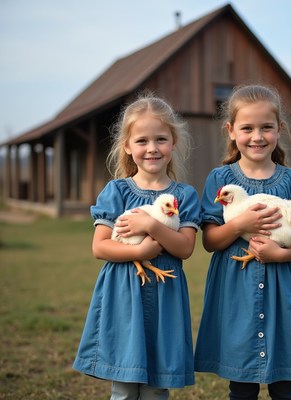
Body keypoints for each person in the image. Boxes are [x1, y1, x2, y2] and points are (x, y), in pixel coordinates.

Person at [194, 84, 291, 400]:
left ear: (279, 130)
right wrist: (241, 223)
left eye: (266, 127)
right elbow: (210, 241)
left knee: (285, 383)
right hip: (235, 290)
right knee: (241, 384)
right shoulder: (219, 179)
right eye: (247, 128)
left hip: (282, 288)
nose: (257, 136)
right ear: (231, 131)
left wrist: (280, 254)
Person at [73, 92, 200, 400]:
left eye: (160, 139)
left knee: (158, 386)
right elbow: (100, 247)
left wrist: (151, 225)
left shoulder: (184, 195)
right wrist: (139, 252)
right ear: (127, 147)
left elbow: (184, 248)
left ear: (173, 143)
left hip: (165, 299)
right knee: (125, 387)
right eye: (142, 141)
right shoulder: (116, 191)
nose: (151, 148)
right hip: (122, 296)